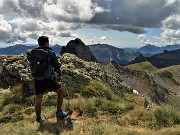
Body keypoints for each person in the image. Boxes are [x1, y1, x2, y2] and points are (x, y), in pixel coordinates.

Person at [27, 36, 66, 123]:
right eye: (48, 42)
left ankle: (39, 119)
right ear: (46, 43)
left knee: (38, 98)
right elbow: (56, 67)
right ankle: (59, 113)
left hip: (37, 79)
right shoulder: (50, 53)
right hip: (47, 79)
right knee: (61, 92)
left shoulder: (32, 52)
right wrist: (59, 73)